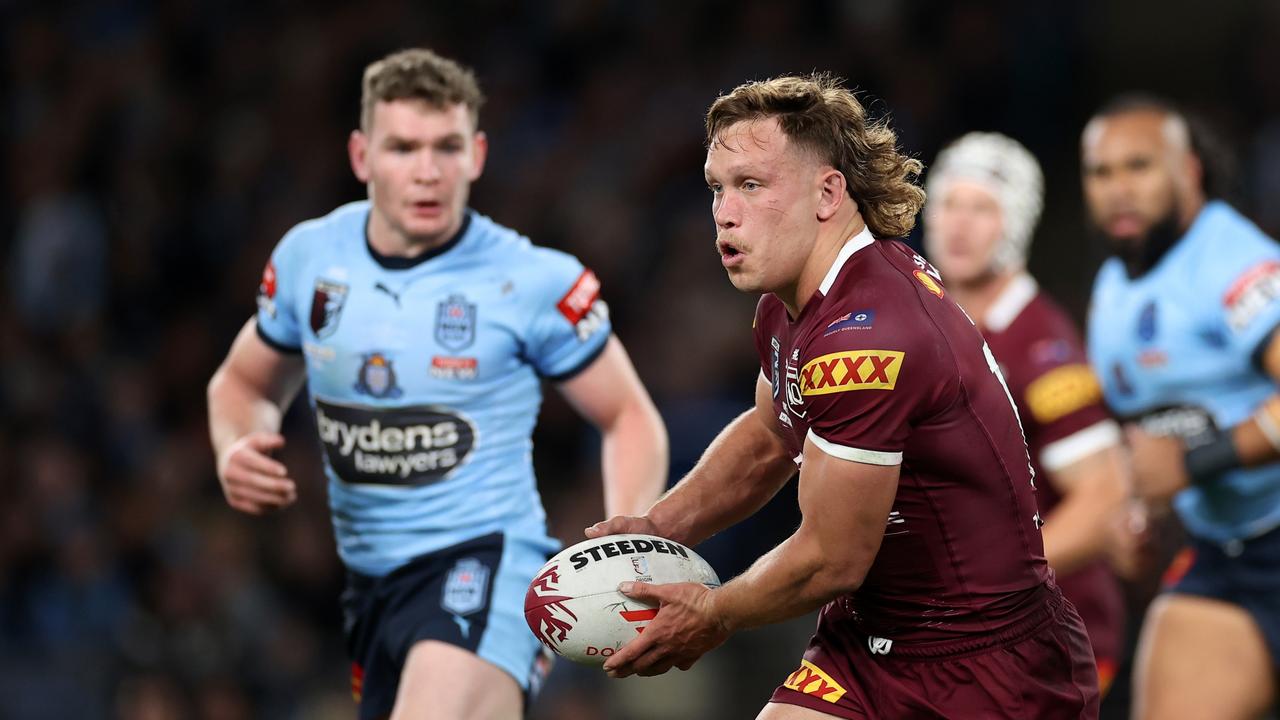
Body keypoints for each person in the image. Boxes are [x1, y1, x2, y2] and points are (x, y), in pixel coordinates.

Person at [587, 73, 1099, 719]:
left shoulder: (871, 336)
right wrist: (659, 528)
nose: (724, 211)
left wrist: (712, 613)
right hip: (865, 643)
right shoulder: (794, 301)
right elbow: (771, 433)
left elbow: (831, 559)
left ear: (828, 192)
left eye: (751, 184)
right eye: (717, 187)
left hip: (987, 669)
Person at [206, 48, 667, 720]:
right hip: (371, 589)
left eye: (446, 147)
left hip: (491, 569)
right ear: (361, 157)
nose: (427, 171)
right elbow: (242, 381)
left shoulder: (532, 279)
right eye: (403, 147)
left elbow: (629, 416)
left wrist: (622, 545)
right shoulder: (311, 256)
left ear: (476, 154)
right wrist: (238, 443)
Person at [1082, 95, 1280, 720]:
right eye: (1101, 172)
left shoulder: (1232, 260)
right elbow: (1151, 442)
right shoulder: (1112, 292)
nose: (1119, 190)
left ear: (1188, 170)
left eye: (1138, 167)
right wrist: (1140, 515)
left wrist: (1194, 466)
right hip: (1232, 559)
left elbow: (1183, 456)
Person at [923, 132, 1129, 693]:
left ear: (1016, 222)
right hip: (951, 628)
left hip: (1045, 634)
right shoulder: (926, 319)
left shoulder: (1041, 344)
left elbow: (1105, 492)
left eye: (983, 208)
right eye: (949, 203)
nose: (960, 224)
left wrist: (989, 582)